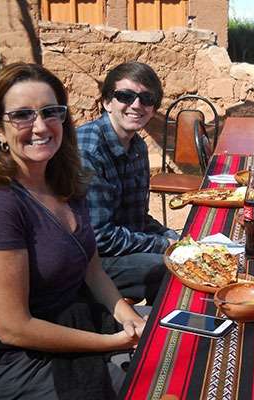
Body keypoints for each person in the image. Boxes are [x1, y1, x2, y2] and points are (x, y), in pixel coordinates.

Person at [0, 63, 146, 399]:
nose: (40, 126)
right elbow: (13, 328)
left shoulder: (66, 182)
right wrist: (110, 343)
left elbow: (92, 269)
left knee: (170, 337)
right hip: (13, 359)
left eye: (50, 112)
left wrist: (128, 316)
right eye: (22, 115)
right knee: (140, 385)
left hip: (75, 320)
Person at [77, 62, 178, 304]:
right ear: (107, 102)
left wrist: (172, 237)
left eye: (146, 98)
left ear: (153, 108)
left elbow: (136, 218)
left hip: (115, 249)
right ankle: (162, 336)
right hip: (87, 261)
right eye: (125, 96)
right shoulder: (89, 151)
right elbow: (100, 237)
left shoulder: (137, 146)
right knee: (171, 267)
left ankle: (159, 320)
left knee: (184, 250)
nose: (136, 105)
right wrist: (164, 244)